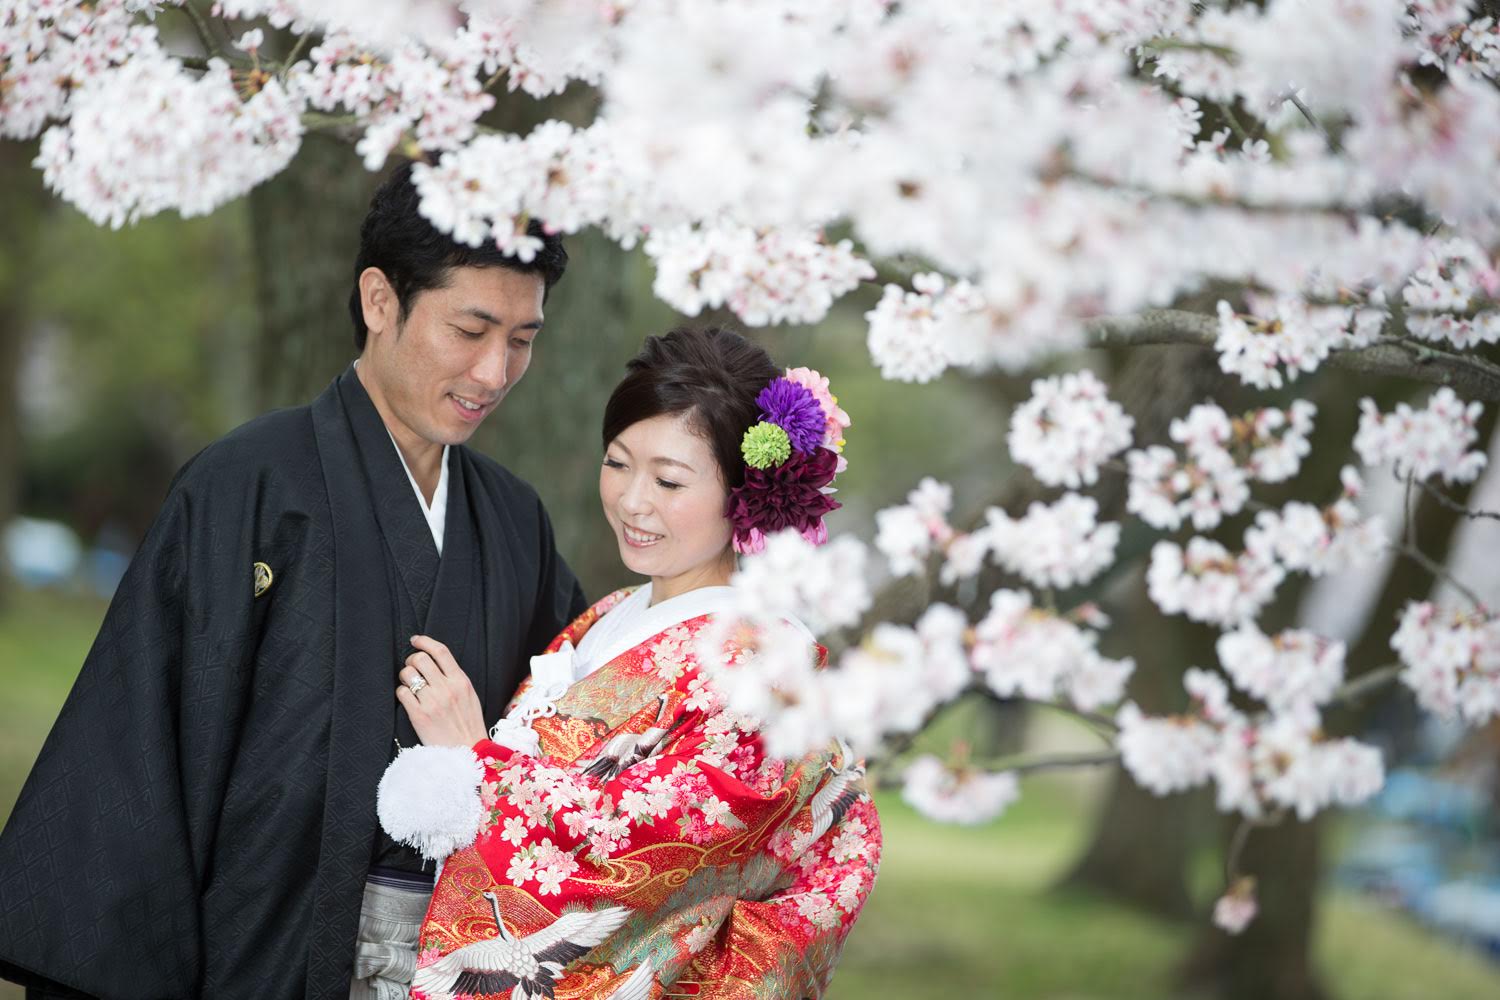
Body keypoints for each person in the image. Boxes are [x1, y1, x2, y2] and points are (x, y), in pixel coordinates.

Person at [0, 162, 587, 1000]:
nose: (495, 372)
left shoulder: (514, 522)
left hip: (457, 966)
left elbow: (576, 749)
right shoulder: (244, 487)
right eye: (471, 329)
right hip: (264, 952)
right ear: (380, 300)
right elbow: (136, 755)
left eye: (522, 341)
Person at [375, 327, 881, 1000]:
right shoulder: (614, 611)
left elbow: (634, 852)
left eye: (669, 480)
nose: (632, 500)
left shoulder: (765, 668)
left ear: (746, 494)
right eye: (618, 463)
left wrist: (479, 761)